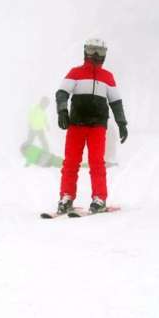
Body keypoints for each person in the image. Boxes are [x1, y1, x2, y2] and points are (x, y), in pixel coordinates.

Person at [54, 38, 128, 214]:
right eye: (92, 51)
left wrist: (122, 123)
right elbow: (62, 93)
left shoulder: (107, 77)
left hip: (97, 126)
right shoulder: (76, 73)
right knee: (71, 162)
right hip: (76, 125)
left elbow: (116, 102)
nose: (96, 55)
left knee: (97, 162)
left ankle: (99, 198)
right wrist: (62, 111)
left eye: (100, 52)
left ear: (105, 54)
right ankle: (66, 197)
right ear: (85, 52)